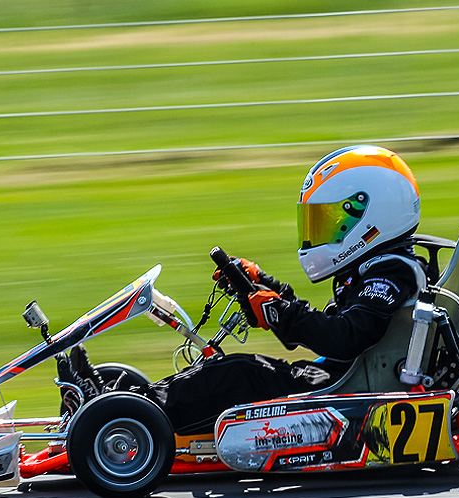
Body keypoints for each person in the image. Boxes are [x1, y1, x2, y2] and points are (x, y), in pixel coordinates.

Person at [58, 145, 428, 436]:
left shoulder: (392, 272)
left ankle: (120, 414)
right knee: (227, 367)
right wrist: (266, 286)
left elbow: (345, 339)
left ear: (373, 216)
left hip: (348, 392)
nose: (321, 232)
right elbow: (329, 326)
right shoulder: (374, 266)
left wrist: (279, 313)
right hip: (338, 379)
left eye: (332, 220)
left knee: (237, 372)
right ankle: (120, 401)